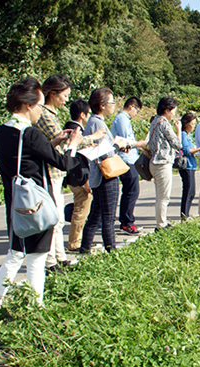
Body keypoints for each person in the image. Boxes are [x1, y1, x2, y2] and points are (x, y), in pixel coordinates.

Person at [0, 77, 82, 307]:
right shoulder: (31, 134)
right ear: (27, 105)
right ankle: (36, 305)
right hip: (37, 203)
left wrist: (52, 141)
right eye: (38, 106)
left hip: (15, 201)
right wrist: (72, 144)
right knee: (36, 257)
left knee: (16, 252)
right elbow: (64, 163)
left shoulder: (2, 131)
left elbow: (27, 155)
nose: (39, 112)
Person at [34, 74, 73, 270]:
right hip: (49, 172)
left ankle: (60, 257)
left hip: (56, 173)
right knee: (54, 219)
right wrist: (88, 138)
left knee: (59, 219)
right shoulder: (44, 114)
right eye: (64, 95)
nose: (66, 99)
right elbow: (60, 141)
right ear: (52, 94)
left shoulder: (50, 114)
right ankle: (51, 262)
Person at [80, 88, 123, 253]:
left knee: (95, 215)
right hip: (107, 174)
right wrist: (119, 146)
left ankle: (85, 248)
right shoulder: (98, 123)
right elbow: (106, 151)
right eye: (111, 102)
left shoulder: (92, 121)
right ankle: (111, 250)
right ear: (102, 104)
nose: (113, 105)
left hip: (97, 176)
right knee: (108, 217)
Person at [63, 99, 105, 252]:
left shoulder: (68, 128)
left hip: (74, 178)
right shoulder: (76, 131)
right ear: (82, 115)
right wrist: (86, 180)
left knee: (79, 209)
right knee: (81, 212)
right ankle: (75, 243)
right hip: (80, 178)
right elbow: (79, 161)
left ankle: (76, 240)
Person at [111, 97, 147, 235]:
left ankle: (126, 221)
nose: (136, 114)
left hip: (130, 158)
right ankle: (127, 222)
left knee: (131, 191)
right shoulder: (122, 119)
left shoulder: (123, 119)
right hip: (126, 159)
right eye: (136, 111)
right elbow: (125, 141)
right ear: (132, 106)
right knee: (131, 191)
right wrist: (139, 143)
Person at [148, 97, 182, 231]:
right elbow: (177, 144)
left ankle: (162, 221)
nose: (174, 114)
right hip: (162, 163)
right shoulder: (164, 123)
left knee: (160, 195)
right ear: (167, 110)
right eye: (173, 111)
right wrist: (178, 129)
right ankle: (161, 224)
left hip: (154, 162)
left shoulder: (155, 121)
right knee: (163, 197)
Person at [178, 112, 200, 221]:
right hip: (187, 166)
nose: (193, 126)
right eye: (192, 124)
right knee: (188, 190)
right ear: (186, 124)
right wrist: (199, 149)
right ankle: (184, 215)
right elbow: (186, 150)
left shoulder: (188, 135)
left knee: (191, 191)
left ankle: (186, 213)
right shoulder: (183, 135)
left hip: (191, 165)